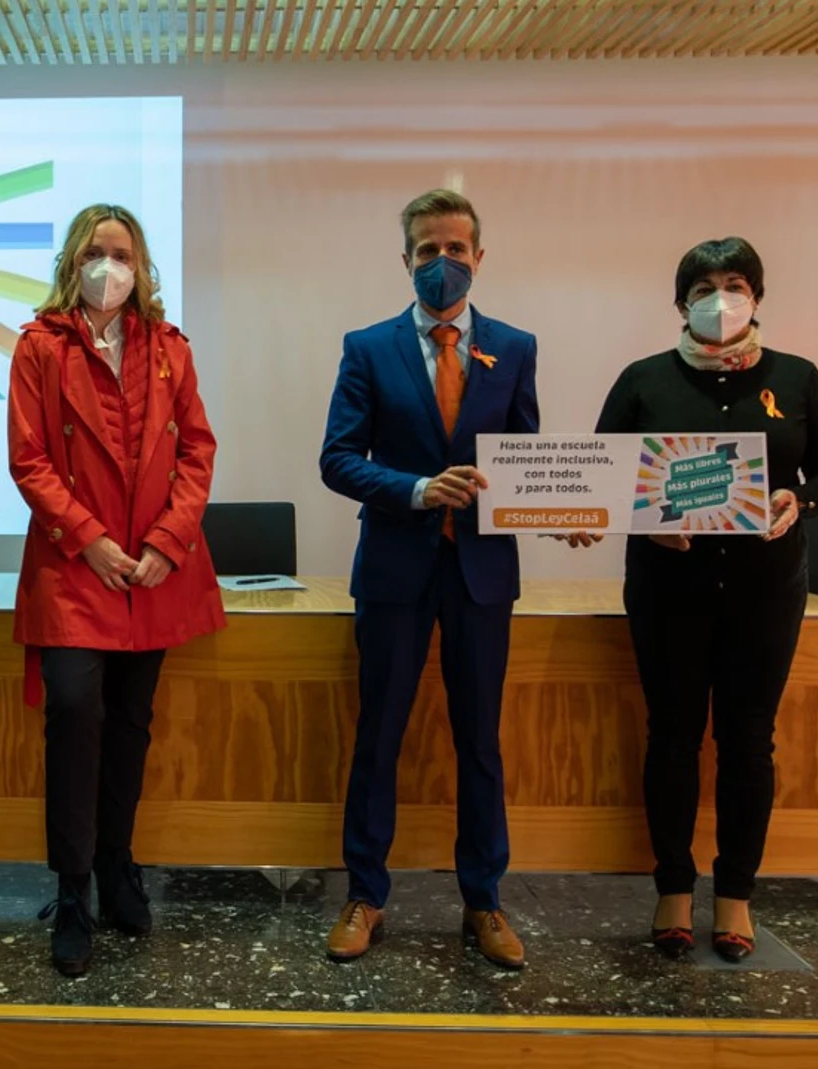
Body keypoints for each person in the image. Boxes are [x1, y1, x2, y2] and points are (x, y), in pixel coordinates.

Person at [586, 237, 818, 963]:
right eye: (703, 287)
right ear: (680, 303)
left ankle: (736, 892)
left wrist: (798, 498)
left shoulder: (797, 378)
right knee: (671, 734)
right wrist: (644, 516)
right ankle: (673, 885)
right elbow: (599, 479)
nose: (719, 298)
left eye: (735, 283)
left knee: (748, 740)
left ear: (757, 296)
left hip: (766, 589)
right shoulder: (643, 379)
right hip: (666, 586)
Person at [318, 189, 538, 970]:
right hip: (395, 570)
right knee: (379, 735)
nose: (441, 264)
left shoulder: (514, 347)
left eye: (455, 249)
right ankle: (364, 894)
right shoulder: (367, 347)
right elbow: (337, 459)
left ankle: (485, 900)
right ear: (405, 259)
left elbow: (528, 461)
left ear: (479, 255)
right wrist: (414, 487)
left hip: (483, 574)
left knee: (480, 741)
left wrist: (565, 509)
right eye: (425, 251)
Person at [6, 204, 224, 977]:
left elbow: (197, 448)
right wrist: (89, 539)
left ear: (142, 265)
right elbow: (28, 460)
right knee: (73, 713)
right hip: (76, 565)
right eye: (96, 251)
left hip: (154, 570)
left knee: (131, 721)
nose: (110, 265)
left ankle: (116, 863)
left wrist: (168, 542)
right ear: (74, 259)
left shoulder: (169, 347)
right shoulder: (39, 344)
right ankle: (71, 889)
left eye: (122, 252)